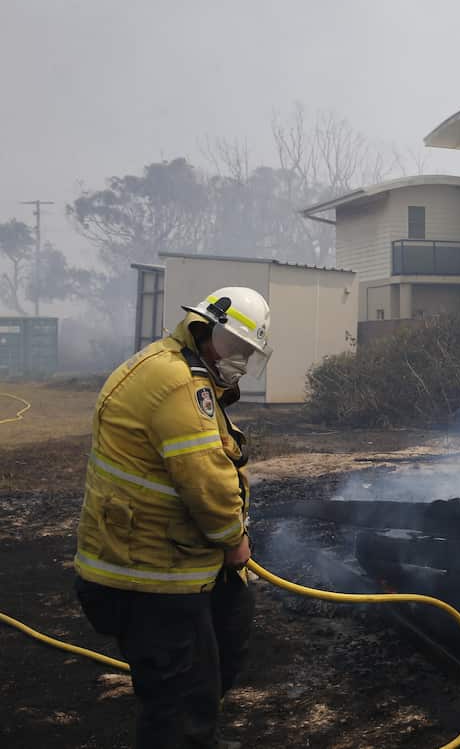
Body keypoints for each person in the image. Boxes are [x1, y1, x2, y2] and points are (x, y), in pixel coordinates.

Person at [74, 287, 272, 749]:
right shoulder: (181, 384)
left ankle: (196, 735)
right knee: (180, 696)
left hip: (165, 559)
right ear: (204, 329)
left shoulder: (176, 368)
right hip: (149, 575)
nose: (239, 361)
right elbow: (205, 480)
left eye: (247, 353)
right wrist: (234, 540)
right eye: (235, 347)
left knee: (225, 639)